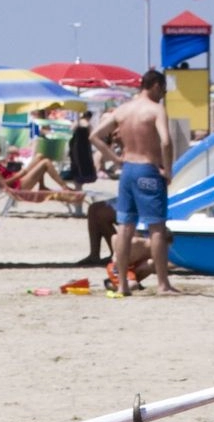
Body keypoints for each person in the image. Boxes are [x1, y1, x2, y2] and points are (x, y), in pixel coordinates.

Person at [91, 69, 175, 295]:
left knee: (126, 227)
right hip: (148, 169)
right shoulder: (156, 109)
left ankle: (122, 286)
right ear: (156, 85)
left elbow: (95, 136)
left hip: (127, 170)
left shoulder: (123, 110)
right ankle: (163, 285)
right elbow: (166, 142)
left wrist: (116, 159)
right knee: (156, 226)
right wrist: (168, 170)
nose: (163, 93)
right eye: (163, 89)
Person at [65, 111, 97, 187]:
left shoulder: (77, 122)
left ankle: (77, 179)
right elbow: (92, 134)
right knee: (84, 162)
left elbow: (71, 130)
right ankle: (82, 178)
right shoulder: (88, 124)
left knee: (76, 161)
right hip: (85, 145)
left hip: (75, 145)